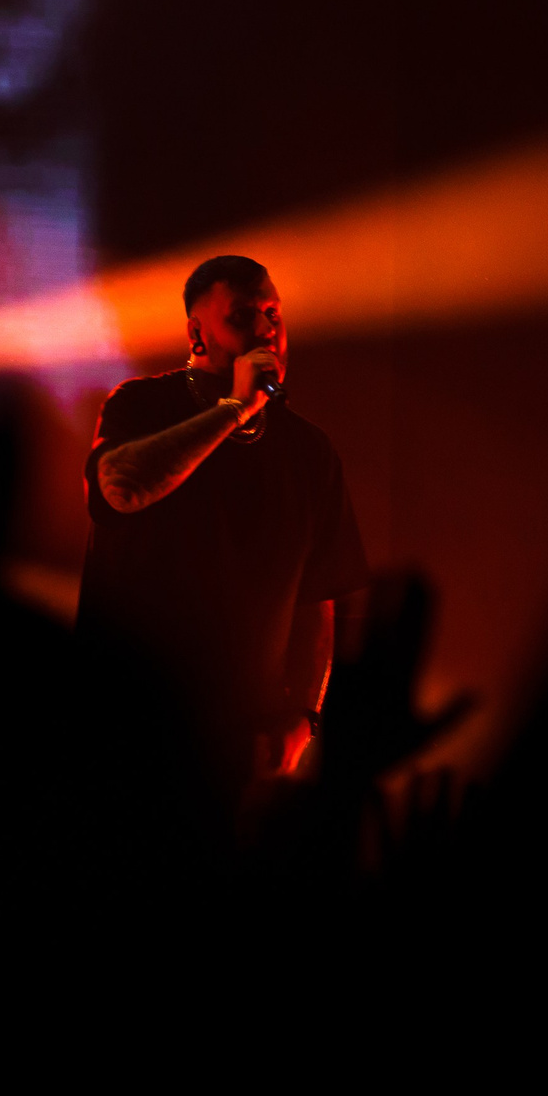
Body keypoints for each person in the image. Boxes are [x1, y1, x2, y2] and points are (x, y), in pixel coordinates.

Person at [78, 255, 369, 799]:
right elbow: (119, 489)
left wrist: (304, 718)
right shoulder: (141, 404)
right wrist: (235, 407)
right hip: (128, 734)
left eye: (273, 313)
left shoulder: (310, 451)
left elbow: (317, 601)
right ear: (197, 334)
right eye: (242, 316)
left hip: (244, 746)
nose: (266, 329)